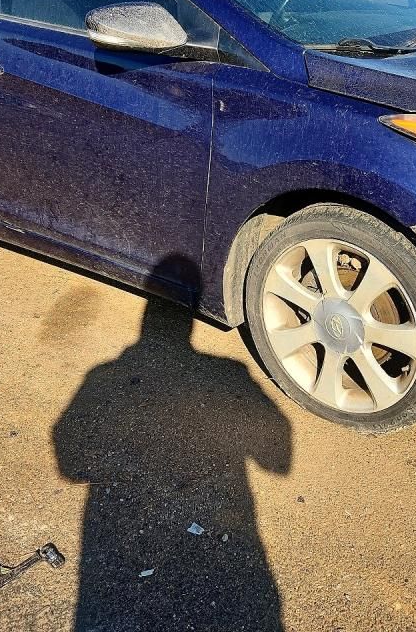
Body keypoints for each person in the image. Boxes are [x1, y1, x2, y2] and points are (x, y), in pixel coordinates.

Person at [53, 258, 292, 631]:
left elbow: (69, 461)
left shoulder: (103, 377)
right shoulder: (230, 373)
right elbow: (279, 460)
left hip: (117, 561)